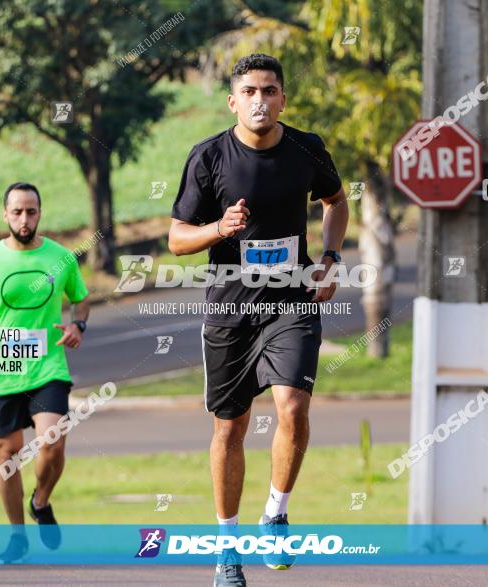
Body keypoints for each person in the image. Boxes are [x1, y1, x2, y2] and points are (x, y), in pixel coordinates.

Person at [168, 53, 348, 587]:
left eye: (269, 90)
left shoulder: (306, 148)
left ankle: (276, 513)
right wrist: (219, 228)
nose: (259, 100)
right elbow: (177, 238)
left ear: (283, 99)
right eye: (249, 91)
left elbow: (336, 202)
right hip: (230, 311)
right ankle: (227, 548)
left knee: (292, 404)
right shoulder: (209, 158)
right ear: (233, 101)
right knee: (231, 426)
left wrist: (331, 259)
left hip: (291, 302)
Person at [0, 182, 90, 564]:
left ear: (40, 213)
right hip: (1, 372)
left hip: (48, 366)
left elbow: (80, 301)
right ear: (5, 215)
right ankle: (17, 536)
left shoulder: (61, 258)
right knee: (8, 454)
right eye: (17, 211)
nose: (24, 218)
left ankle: (41, 500)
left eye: (31, 211)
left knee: (53, 440)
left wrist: (77, 326)